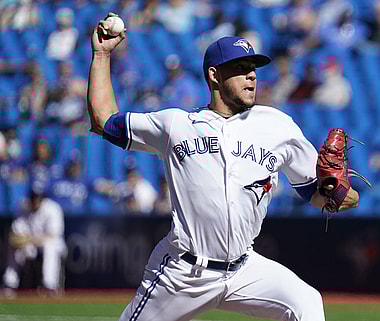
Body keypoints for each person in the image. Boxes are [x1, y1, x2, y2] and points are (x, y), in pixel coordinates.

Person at [88, 14, 360, 321]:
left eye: (253, 69)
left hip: (245, 268)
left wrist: (336, 192)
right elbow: (103, 121)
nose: (252, 76)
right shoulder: (176, 125)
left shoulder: (277, 126)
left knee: (307, 302)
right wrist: (102, 54)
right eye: (241, 69)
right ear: (214, 76)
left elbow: (325, 196)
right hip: (183, 273)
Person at [1, 186, 67, 296]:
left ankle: (49, 285)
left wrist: (28, 239)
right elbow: (15, 234)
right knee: (13, 246)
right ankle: (10, 283)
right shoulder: (23, 207)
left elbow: (52, 235)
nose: (35, 201)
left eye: (38, 199)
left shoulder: (53, 208)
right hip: (30, 245)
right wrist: (20, 239)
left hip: (53, 245)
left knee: (49, 246)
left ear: (42, 199)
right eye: (33, 198)